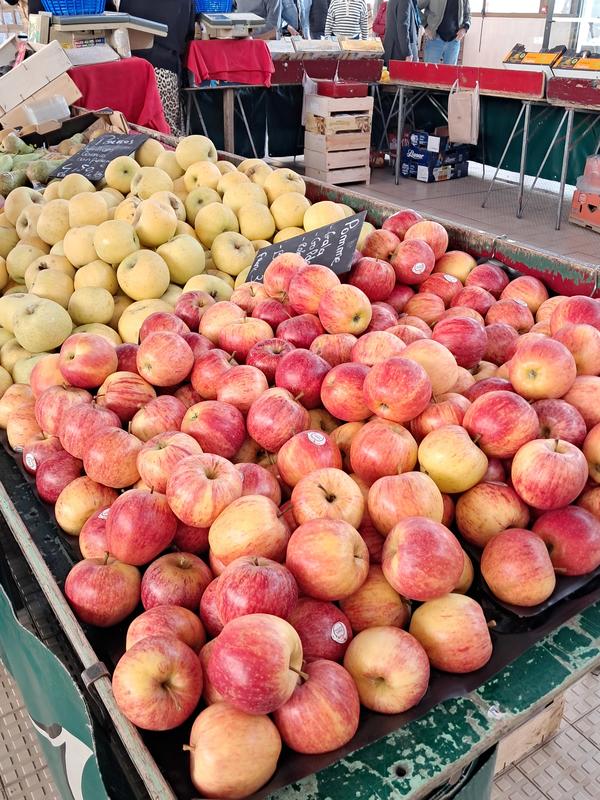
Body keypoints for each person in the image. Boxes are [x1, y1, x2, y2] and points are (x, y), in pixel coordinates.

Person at [419, 0, 470, 65]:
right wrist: (426, 25)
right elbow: (415, 7)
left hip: (454, 42)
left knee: (450, 74)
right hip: (433, 40)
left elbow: (467, 15)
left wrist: (464, 28)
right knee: (430, 73)